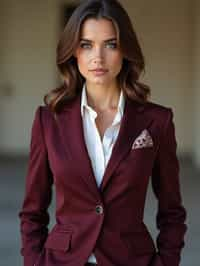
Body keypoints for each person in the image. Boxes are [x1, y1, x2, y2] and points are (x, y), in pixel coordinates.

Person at [18, 0, 187, 266]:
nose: (98, 57)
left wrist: (166, 262)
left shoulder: (157, 121)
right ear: (74, 52)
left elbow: (172, 212)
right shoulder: (48, 121)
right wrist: (34, 261)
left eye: (110, 44)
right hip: (62, 260)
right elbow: (32, 212)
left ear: (125, 50)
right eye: (86, 45)